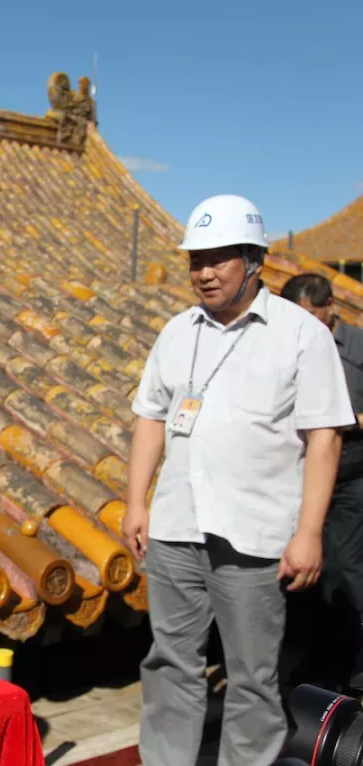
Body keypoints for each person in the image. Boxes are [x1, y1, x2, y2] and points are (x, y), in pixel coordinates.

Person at [123, 194, 355, 766]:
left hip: (255, 536)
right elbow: (150, 417)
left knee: (252, 675)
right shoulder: (177, 332)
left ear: (254, 260)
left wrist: (308, 533)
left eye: (218, 259)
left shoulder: (302, 334)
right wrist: (136, 502)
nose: (203, 272)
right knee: (169, 662)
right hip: (177, 525)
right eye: (195, 260)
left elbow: (324, 438)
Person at [281, 272, 363, 692]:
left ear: (331, 307)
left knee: (345, 570)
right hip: (300, 474)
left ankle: (353, 665)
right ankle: (317, 658)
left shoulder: (358, 346)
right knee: (305, 572)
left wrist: (344, 423)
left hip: (350, 475)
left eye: (311, 317)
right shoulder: (287, 343)